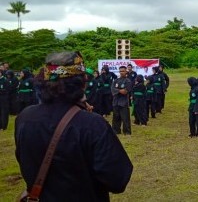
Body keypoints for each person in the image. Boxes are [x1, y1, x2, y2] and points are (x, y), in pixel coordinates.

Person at [15, 51, 133, 201]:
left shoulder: (25, 117)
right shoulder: (92, 124)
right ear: (82, 83)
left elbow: (23, 160)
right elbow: (117, 180)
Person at [111, 66, 133, 135]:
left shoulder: (128, 81)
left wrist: (117, 90)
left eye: (123, 71)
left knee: (125, 118)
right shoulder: (116, 80)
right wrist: (120, 90)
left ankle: (127, 132)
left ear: (126, 71)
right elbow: (112, 90)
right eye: (120, 71)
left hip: (124, 102)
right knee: (116, 117)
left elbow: (125, 91)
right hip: (116, 101)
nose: (121, 72)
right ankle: (116, 130)